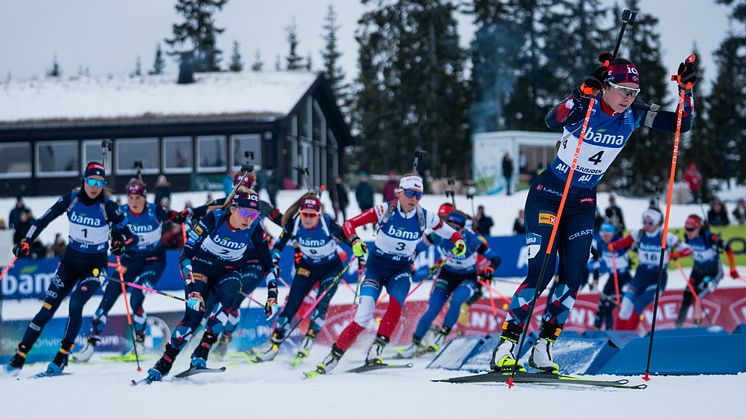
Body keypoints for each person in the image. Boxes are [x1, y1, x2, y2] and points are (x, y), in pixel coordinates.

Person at [489, 54, 696, 374]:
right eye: (623, 90)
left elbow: (682, 123)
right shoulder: (587, 105)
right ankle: (508, 342)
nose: (629, 98)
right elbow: (552, 120)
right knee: (541, 270)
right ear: (606, 88)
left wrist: (685, 93)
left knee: (573, 276)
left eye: (634, 92)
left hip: (583, 201)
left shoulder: (636, 113)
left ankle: (543, 345)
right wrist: (578, 95)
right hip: (549, 195)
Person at [305, 174, 465, 376]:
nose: (414, 199)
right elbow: (349, 224)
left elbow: (450, 233)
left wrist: (459, 240)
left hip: (401, 270)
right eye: (410, 193)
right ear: (400, 192)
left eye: (418, 195)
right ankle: (334, 355)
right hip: (376, 267)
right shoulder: (385, 210)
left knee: (396, 305)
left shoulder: (425, 216)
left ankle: (377, 348)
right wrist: (355, 240)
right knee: (363, 316)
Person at [4, 162, 136, 375]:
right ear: (84, 181)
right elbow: (42, 220)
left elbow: (130, 236)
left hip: (94, 267)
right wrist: (26, 241)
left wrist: (120, 244)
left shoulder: (108, 207)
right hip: (70, 264)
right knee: (47, 309)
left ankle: (62, 356)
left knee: (75, 305)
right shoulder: (71, 200)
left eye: (100, 182)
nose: (95, 186)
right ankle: (19, 358)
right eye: (91, 181)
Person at [139, 190, 278, 383]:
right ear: (233, 209)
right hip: (201, 269)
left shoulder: (254, 228)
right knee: (194, 317)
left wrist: (272, 295)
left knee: (232, 293)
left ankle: (201, 353)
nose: (249, 219)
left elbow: (268, 264)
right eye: (245, 213)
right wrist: (193, 290)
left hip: (229, 271)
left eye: (253, 214)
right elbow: (185, 257)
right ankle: (164, 363)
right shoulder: (214, 219)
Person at [74, 179, 188, 362]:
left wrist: (186, 215)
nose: (134, 202)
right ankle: (91, 344)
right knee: (108, 297)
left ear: (144, 197)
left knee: (136, 297)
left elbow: (176, 217)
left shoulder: (154, 210)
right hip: (129, 261)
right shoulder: (121, 213)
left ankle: (140, 341)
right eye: (131, 197)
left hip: (153, 261)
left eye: (138, 197)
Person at [252, 195, 350, 364]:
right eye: (305, 214)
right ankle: (274, 345)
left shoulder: (327, 223)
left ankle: (309, 340)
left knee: (322, 302)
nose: (308, 219)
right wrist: (274, 261)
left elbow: (350, 238)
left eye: (312, 215)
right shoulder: (294, 223)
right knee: (291, 304)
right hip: (307, 267)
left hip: (331, 269)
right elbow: (278, 246)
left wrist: (360, 251)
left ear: (318, 215)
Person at [399, 210, 501, 357]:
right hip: (447, 275)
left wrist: (489, 270)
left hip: (467, 277)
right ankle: (414, 344)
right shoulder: (439, 235)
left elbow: (496, 259)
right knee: (433, 308)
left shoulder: (472, 239)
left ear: (463, 228)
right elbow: (417, 248)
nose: (452, 231)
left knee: (457, 300)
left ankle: (442, 336)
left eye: (456, 228)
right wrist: (410, 262)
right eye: (449, 226)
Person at [608, 208, 691, 330]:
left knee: (640, 303)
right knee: (625, 306)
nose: (646, 225)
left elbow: (688, 250)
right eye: (644, 221)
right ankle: (617, 337)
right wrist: (613, 246)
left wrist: (676, 254)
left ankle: (628, 336)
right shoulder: (639, 233)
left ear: (658, 223)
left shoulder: (666, 236)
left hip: (657, 278)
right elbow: (622, 243)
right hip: (641, 275)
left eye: (650, 223)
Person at [675, 214, 740, 327]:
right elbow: (688, 251)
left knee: (698, 297)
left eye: (691, 229)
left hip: (713, 273)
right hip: (697, 271)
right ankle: (677, 327)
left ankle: (697, 328)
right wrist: (676, 255)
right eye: (686, 228)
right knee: (686, 297)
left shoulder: (709, 237)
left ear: (698, 227)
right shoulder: (687, 237)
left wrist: (733, 269)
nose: (688, 231)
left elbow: (728, 249)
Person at [591, 223, 632, 330]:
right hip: (612, 277)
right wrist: (595, 279)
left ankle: (612, 331)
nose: (605, 238)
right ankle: (596, 329)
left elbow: (633, 246)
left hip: (624, 278)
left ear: (613, 234)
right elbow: (597, 262)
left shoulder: (619, 242)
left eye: (608, 235)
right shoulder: (601, 244)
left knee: (611, 305)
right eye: (603, 235)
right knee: (602, 303)